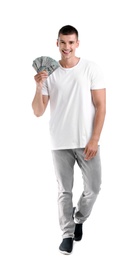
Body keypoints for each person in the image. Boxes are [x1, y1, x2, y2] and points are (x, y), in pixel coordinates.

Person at [32, 25, 106, 255]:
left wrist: (94, 138)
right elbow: (37, 111)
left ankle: (79, 218)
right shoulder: (49, 73)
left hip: (87, 141)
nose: (67, 47)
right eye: (63, 42)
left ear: (77, 43)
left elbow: (101, 106)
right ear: (57, 43)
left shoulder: (91, 68)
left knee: (94, 187)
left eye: (71, 42)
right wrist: (37, 85)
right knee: (64, 190)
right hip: (59, 140)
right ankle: (67, 234)